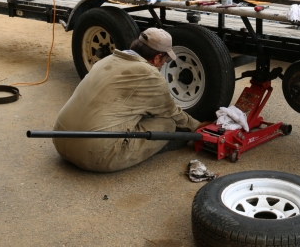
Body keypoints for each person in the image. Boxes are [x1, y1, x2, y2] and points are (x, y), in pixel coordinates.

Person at [53, 27, 202, 172]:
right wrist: (197, 126)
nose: (161, 65)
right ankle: (160, 146)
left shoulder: (107, 60)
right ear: (157, 57)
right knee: (167, 124)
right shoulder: (149, 74)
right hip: (94, 154)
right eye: (163, 62)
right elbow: (171, 112)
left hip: (59, 139)